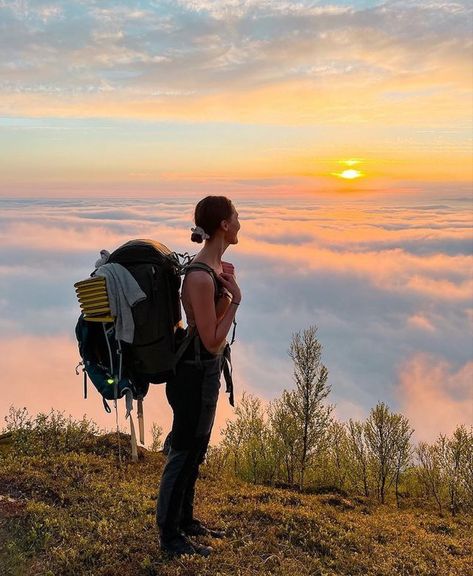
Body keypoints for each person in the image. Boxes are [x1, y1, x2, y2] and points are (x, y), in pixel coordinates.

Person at [157, 195, 241, 558]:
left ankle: (186, 521)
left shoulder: (210, 271)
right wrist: (235, 299)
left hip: (203, 373)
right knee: (183, 451)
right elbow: (209, 340)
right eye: (236, 217)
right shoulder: (200, 277)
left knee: (196, 450)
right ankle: (169, 536)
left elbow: (209, 328)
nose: (239, 222)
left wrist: (226, 289)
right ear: (223, 224)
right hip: (193, 374)